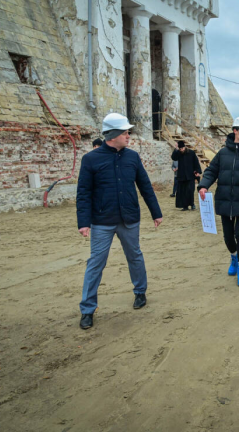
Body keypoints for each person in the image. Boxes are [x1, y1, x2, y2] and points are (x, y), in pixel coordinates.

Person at [76, 113, 163, 330]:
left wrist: (156, 212)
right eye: (125, 132)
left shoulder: (132, 157)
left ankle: (140, 292)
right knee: (95, 263)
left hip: (129, 218)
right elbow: (83, 193)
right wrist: (83, 222)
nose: (128, 136)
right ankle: (87, 309)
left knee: (135, 256)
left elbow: (144, 185)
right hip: (102, 221)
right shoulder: (91, 159)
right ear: (113, 134)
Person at [198, 116, 239, 286]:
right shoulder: (222, 153)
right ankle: (233, 257)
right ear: (235, 131)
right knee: (228, 236)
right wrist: (204, 186)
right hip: (225, 200)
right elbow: (211, 171)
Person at [171, 140, 202, 211]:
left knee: (190, 190)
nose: (181, 150)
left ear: (184, 147)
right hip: (181, 176)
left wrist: (197, 171)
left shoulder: (191, 153)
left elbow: (196, 162)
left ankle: (192, 204)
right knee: (183, 191)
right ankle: (185, 206)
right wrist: (175, 149)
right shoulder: (178, 153)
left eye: (182, 148)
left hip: (190, 175)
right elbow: (173, 158)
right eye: (180, 149)